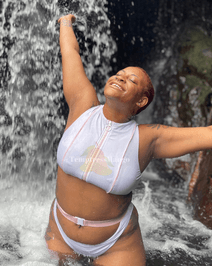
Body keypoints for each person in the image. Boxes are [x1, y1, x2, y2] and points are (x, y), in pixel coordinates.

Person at [45, 14, 212, 266]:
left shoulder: (148, 138)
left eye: (132, 80)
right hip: (60, 232)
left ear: (141, 101)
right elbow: (70, 53)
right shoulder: (82, 104)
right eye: (120, 74)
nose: (121, 77)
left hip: (116, 244)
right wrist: (66, 23)